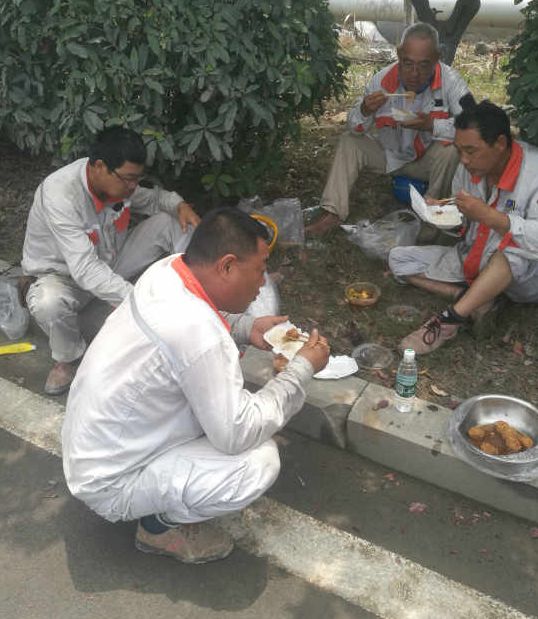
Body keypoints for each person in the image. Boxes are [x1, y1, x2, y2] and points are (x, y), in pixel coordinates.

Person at [61, 208, 330, 564]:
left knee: (218, 408)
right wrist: (301, 370)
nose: (262, 283)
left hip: (95, 450)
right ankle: (157, 528)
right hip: (111, 483)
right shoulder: (200, 335)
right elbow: (237, 433)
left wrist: (244, 327)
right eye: (260, 270)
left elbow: (197, 322)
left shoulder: (168, 270)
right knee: (258, 462)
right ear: (227, 266)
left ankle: (158, 495)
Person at [21, 126, 200, 395]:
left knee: (173, 221)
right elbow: (85, 270)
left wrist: (179, 205)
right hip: (63, 278)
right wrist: (141, 303)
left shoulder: (119, 183)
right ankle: (69, 358)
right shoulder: (60, 195)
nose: (133, 186)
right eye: (128, 179)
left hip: (109, 262)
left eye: (137, 179)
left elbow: (156, 199)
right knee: (48, 302)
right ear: (99, 167)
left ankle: (197, 296)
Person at [388, 100, 538, 354]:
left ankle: (449, 320)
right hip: (475, 257)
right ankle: (473, 298)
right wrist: (443, 214)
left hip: (531, 275)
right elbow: (463, 224)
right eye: (459, 150)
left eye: (471, 151)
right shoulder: (468, 168)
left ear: (500, 143)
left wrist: (491, 217)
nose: (463, 159)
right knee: (398, 259)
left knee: (511, 249)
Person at [305, 22, 470, 235]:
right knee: (349, 141)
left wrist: (432, 125)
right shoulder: (381, 81)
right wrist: (364, 110)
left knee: (451, 150)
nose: (415, 73)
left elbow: (473, 127)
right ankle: (332, 213)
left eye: (423, 65)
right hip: (389, 157)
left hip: (427, 162)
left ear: (437, 57)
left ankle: (431, 219)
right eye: (407, 63)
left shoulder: (451, 82)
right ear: (398, 54)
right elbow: (355, 128)